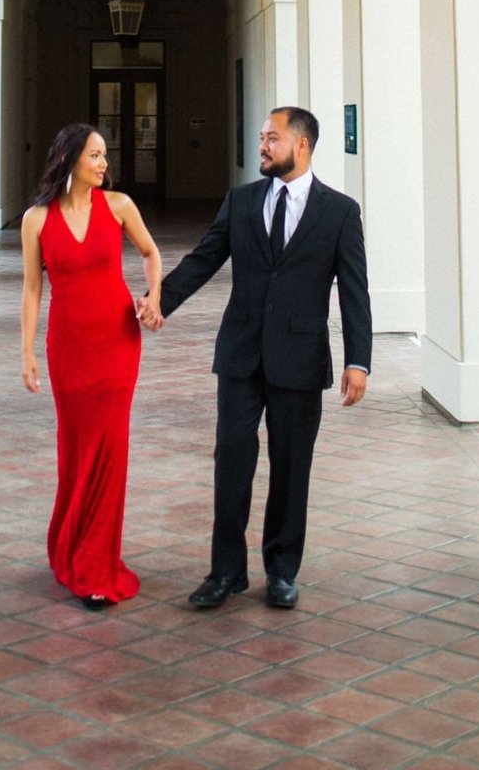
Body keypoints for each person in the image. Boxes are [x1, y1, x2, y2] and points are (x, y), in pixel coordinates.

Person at [152, 105, 371, 611]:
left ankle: (281, 571)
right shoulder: (243, 201)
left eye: (272, 138)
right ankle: (225, 571)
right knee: (232, 457)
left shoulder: (339, 212)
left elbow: (354, 290)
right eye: (261, 139)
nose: (262, 148)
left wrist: (359, 359)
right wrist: (159, 300)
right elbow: (205, 257)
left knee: (292, 467)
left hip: (300, 356)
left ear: (302, 144)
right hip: (241, 353)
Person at [21, 123, 162, 608]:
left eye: (105, 155)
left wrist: (154, 296)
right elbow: (32, 289)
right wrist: (27, 350)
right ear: (71, 159)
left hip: (117, 342)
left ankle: (97, 566)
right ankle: (71, 545)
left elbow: (150, 253)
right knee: (77, 449)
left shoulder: (119, 206)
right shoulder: (36, 220)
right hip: (69, 349)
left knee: (111, 451)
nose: (105, 164)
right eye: (96, 156)